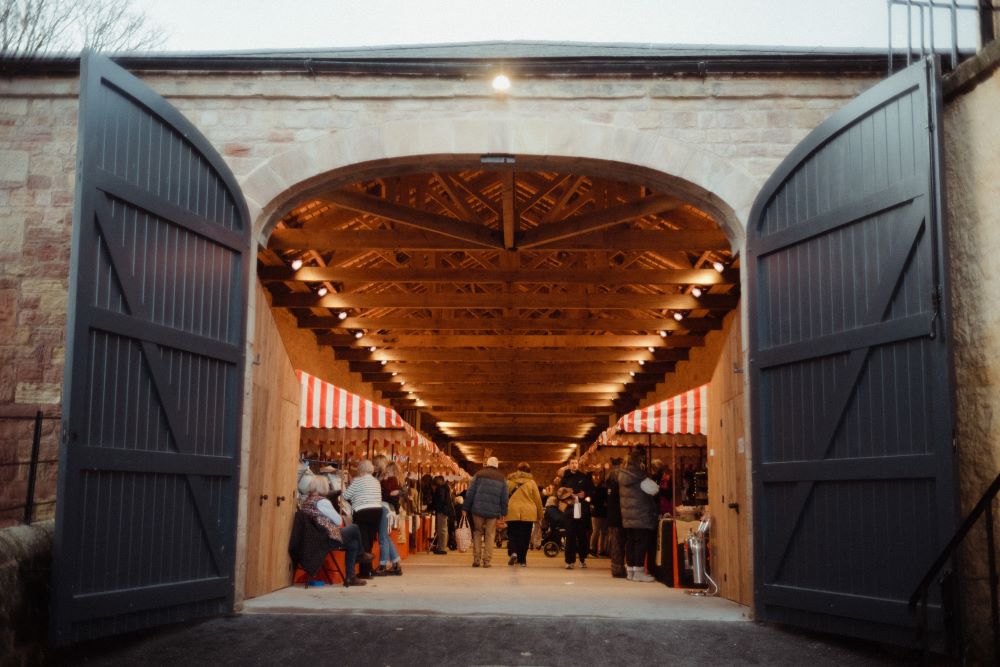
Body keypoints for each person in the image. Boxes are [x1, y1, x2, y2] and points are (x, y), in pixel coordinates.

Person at [299, 475, 373, 587]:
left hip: (313, 539)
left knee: (353, 543)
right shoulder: (322, 502)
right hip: (326, 539)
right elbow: (338, 521)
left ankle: (350, 577)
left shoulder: (306, 501)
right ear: (324, 487)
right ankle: (360, 554)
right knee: (355, 528)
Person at [619, 450, 659, 582]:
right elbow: (654, 489)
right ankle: (639, 571)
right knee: (641, 543)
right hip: (641, 515)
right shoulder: (639, 476)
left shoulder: (622, 475)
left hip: (627, 516)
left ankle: (630, 571)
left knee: (630, 543)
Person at [463, 456, 508, 568]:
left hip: (477, 509)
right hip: (493, 512)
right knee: (490, 534)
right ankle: (486, 561)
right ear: (497, 465)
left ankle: (476, 559)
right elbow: (504, 498)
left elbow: (470, 492)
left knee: (477, 532)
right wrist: (503, 512)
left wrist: (465, 508)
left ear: (487, 464)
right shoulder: (502, 478)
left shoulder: (478, 474)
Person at [342, 459, 384, 578]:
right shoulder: (376, 482)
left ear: (360, 469)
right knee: (369, 541)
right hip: (377, 512)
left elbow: (345, 495)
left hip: (362, 511)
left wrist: (348, 484)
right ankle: (368, 569)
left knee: (362, 540)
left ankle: (366, 572)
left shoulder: (357, 481)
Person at [505, 462, 544, 567]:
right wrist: (540, 515)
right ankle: (522, 561)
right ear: (529, 471)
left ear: (518, 469)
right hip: (528, 512)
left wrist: (502, 510)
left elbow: (504, 496)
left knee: (512, 534)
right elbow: (538, 500)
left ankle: (513, 552)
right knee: (525, 537)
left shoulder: (509, 481)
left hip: (512, 511)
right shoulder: (531, 483)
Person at [559, 458, 595, 569]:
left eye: (576, 463)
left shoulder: (584, 477)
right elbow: (559, 493)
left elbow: (592, 491)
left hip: (582, 510)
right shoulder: (565, 478)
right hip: (569, 510)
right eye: (572, 463)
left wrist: (585, 494)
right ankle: (569, 561)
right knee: (570, 536)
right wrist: (570, 496)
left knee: (582, 536)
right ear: (568, 465)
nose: (574, 465)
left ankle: (583, 559)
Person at [373, 460, 404, 576]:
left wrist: (383, 480)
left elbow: (387, 494)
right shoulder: (396, 481)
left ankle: (383, 565)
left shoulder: (390, 480)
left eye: (388, 470)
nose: (385, 472)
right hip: (389, 510)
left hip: (385, 509)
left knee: (382, 538)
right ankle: (396, 564)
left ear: (391, 471)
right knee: (386, 537)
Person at [605, 457, 627, 578]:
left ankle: (616, 568)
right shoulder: (619, 482)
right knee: (619, 543)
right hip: (619, 516)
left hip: (611, 517)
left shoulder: (608, 480)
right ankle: (619, 569)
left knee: (615, 544)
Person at [430, 475, 453, 554]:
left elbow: (440, 500)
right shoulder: (445, 488)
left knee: (442, 529)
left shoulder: (441, 489)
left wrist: (437, 507)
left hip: (442, 510)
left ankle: (442, 548)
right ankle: (441, 546)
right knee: (443, 529)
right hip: (445, 510)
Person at [589, 468, 608, 557]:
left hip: (602, 513)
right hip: (597, 513)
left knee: (603, 532)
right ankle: (592, 548)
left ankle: (601, 550)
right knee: (596, 531)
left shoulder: (603, 488)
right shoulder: (597, 489)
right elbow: (593, 500)